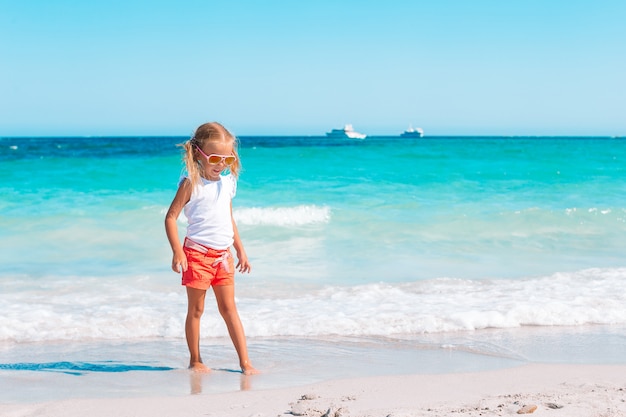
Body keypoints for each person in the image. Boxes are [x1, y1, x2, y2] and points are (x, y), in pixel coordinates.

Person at [165, 122, 258, 375]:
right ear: (198, 153)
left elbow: (229, 219)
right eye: (215, 157)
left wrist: (240, 250)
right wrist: (177, 251)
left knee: (230, 310)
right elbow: (171, 218)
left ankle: (245, 363)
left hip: (223, 256)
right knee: (196, 310)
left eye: (227, 158)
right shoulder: (190, 184)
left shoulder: (227, 184)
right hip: (196, 255)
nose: (221, 164)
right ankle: (195, 359)